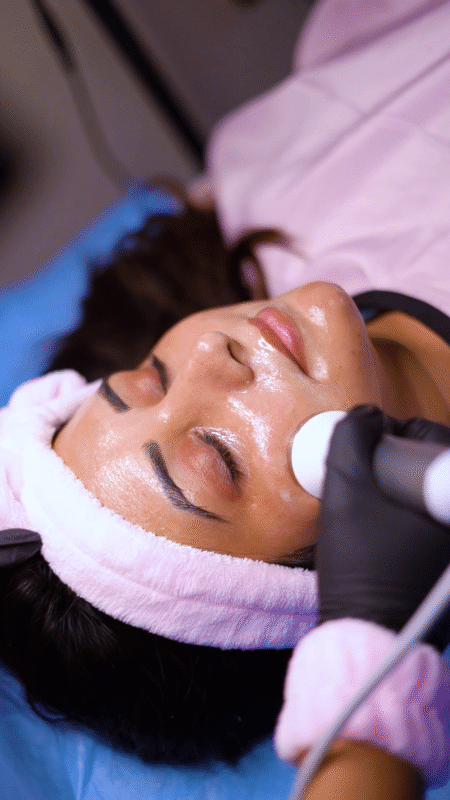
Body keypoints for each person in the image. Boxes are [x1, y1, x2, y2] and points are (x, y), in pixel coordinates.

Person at [1, 0, 450, 791]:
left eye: (151, 377)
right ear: (332, 571)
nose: (212, 354)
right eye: (218, 454)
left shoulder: (283, 174)